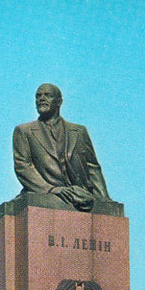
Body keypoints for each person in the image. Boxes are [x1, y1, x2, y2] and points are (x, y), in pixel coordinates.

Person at [13, 83, 111, 212]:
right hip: (46, 192)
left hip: (79, 193)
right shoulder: (24, 131)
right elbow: (23, 166)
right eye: (38, 96)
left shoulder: (79, 131)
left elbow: (92, 167)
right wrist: (52, 189)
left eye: (47, 95)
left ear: (59, 102)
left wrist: (104, 199)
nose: (42, 99)